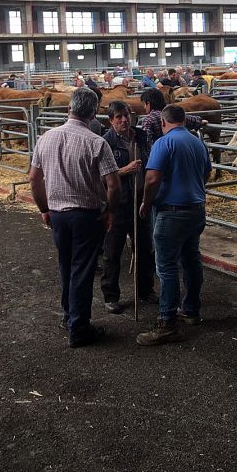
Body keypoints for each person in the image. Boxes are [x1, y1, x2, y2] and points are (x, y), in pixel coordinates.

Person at [29, 88, 121, 348]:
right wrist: (110, 210)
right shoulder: (96, 142)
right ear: (93, 112)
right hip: (86, 216)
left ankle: (69, 316)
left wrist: (43, 208)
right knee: (82, 270)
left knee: (66, 265)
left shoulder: (46, 137)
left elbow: (34, 178)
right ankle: (79, 328)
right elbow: (113, 184)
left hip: (58, 214)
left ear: (69, 108)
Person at [136, 104, 211, 346]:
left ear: (164, 123)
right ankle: (191, 310)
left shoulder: (163, 143)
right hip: (196, 209)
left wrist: (147, 202)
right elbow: (207, 173)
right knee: (191, 259)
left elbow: (152, 177)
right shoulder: (198, 142)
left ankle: (167, 321)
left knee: (166, 267)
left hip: (172, 212)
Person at [101, 101, 156, 313]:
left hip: (140, 200)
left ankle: (145, 290)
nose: (124, 120)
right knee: (112, 251)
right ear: (110, 121)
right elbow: (102, 178)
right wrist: (125, 169)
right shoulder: (106, 142)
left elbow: (151, 160)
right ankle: (111, 295)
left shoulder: (141, 136)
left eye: (126, 115)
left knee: (143, 247)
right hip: (118, 203)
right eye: (119, 117)